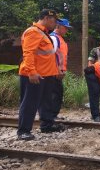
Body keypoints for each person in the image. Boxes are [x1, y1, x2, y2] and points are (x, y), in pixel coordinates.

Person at [18, 9, 65, 141]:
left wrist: (56, 71)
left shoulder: (43, 33)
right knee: (30, 103)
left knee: (46, 102)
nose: (55, 24)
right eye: (54, 20)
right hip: (34, 75)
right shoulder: (33, 32)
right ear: (46, 18)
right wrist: (32, 72)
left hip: (46, 75)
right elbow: (28, 53)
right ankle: (23, 131)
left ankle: (47, 125)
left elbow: (48, 56)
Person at [50, 19, 72, 120]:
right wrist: (57, 69)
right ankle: (51, 115)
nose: (67, 30)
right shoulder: (54, 38)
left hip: (59, 71)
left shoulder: (60, 39)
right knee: (55, 93)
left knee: (57, 93)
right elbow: (52, 55)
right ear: (58, 26)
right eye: (65, 28)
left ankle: (53, 115)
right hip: (54, 71)